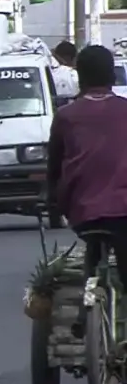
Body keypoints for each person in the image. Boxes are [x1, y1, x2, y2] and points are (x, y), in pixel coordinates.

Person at [47, 45, 127, 295]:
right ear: (112, 76)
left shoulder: (66, 116)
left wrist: (50, 199)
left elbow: (54, 166)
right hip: (124, 210)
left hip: (82, 211)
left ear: (79, 77)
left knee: (95, 241)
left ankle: (87, 308)